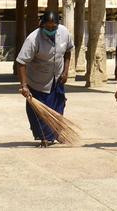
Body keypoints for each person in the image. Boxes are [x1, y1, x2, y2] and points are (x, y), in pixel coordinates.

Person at [15, 10, 73, 146]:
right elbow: (21, 62)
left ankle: (57, 133)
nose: (51, 30)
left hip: (57, 78)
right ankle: (44, 137)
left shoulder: (64, 32)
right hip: (38, 81)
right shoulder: (33, 39)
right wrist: (24, 85)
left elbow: (68, 51)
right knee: (39, 113)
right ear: (42, 25)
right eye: (48, 27)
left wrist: (65, 71)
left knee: (58, 108)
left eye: (54, 27)